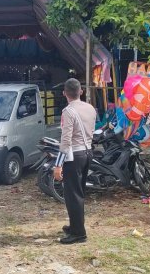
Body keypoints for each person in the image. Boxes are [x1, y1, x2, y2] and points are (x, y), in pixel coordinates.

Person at [53, 78, 97, 244]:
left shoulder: (68, 112)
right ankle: (75, 226)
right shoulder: (90, 108)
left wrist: (58, 164)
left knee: (72, 195)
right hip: (87, 153)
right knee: (79, 193)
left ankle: (78, 233)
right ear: (81, 92)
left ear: (64, 93)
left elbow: (66, 141)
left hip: (74, 156)